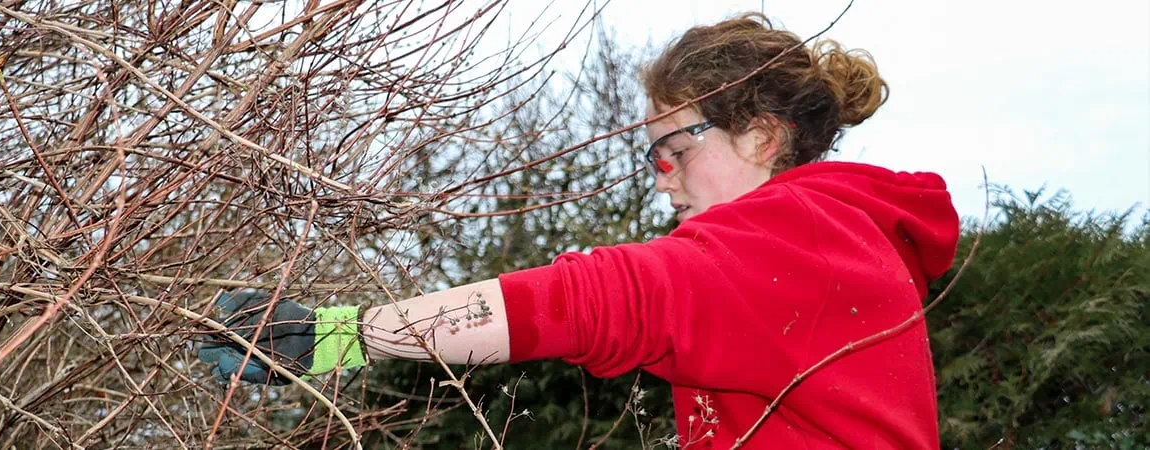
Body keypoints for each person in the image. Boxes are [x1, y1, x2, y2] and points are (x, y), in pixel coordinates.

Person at [197, 12, 959, 449]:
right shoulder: (834, 242)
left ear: (762, 138)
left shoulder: (794, 236)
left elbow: (593, 300)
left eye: (676, 149)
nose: (661, 175)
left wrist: (341, 335)